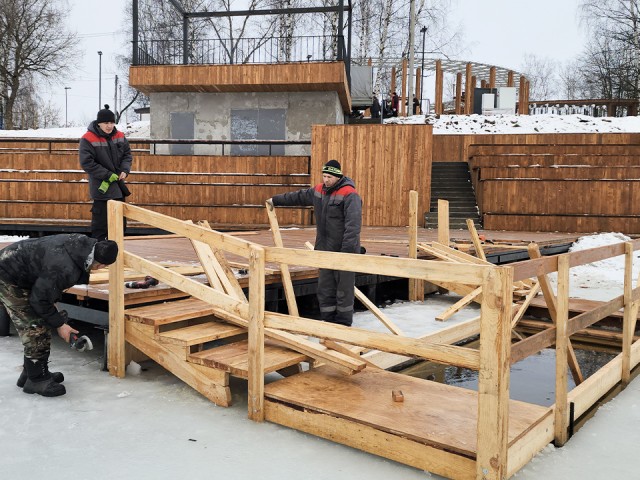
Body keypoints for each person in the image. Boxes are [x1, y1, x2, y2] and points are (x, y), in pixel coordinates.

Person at [0, 234, 119, 397]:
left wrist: (56, 317)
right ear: (101, 264)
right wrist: (60, 325)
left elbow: (48, 289)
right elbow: (39, 300)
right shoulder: (64, 267)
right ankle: (36, 380)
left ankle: (30, 372)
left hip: (22, 273)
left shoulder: (81, 245)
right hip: (7, 277)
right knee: (35, 326)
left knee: (42, 320)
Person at [268, 160, 362, 326]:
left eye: (329, 177)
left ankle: (343, 325)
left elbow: (353, 226)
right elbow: (298, 196)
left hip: (344, 252)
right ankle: (327, 323)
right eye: (324, 176)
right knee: (325, 288)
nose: (326, 180)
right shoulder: (319, 191)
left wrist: (346, 253)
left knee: (343, 290)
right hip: (324, 250)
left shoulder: (350, 194)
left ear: (338, 176)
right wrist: (275, 200)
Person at [79, 104, 132, 241]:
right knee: (100, 230)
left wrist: (124, 170)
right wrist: (107, 174)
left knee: (120, 228)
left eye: (112, 122)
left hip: (118, 188)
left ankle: (118, 255)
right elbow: (87, 163)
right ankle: (99, 259)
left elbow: (127, 155)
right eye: (106, 123)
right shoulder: (88, 138)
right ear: (99, 123)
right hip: (101, 190)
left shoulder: (120, 135)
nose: (109, 126)